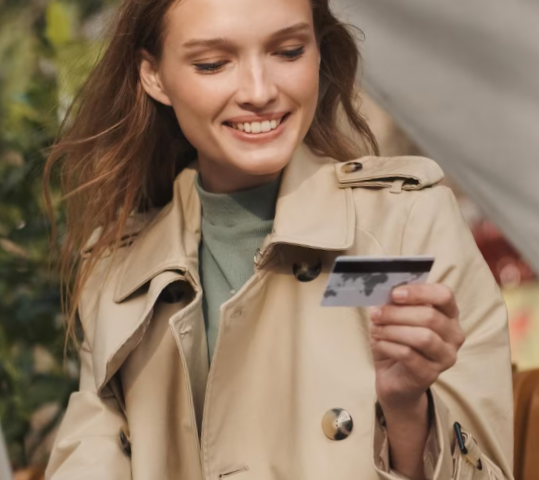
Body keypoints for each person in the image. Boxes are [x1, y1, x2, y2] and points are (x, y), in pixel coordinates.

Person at [42, 0, 514, 478]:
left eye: (288, 52)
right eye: (213, 64)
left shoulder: (405, 228)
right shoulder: (121, 273)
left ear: (319, 51)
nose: (260, 91)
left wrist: (408, 409)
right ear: (153, 75)